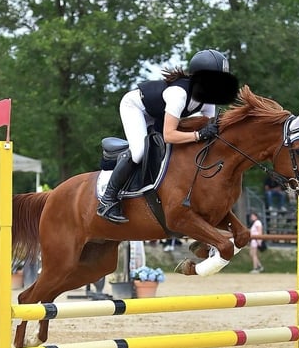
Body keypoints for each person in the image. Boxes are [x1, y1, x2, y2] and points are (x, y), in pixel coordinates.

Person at [97, 49, 239, 223]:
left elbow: (207, 125)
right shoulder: (179, 94)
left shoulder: (207, 98)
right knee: (140, 152)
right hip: (135, 107)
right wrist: (198, 135)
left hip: (158, 114)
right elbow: (169, 135)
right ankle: (108, 199)